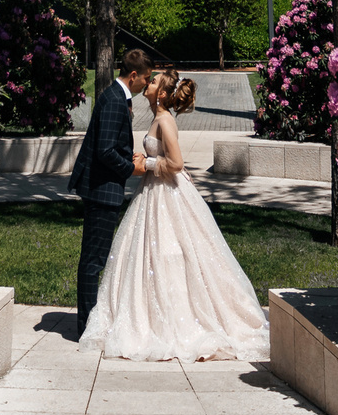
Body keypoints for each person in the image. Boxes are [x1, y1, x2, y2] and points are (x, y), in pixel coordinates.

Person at [78, 67, 271, 361]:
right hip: (153, 192)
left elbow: (177, 163)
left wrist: (149, 164)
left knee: (170, 250)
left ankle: (176, 321)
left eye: (153, 82)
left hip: (166, 191)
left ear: (164, 94)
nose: (148, 83)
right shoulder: (158, 118)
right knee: (149, 253)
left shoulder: (165, 120)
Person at [69, 49, 154, 334]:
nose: (146, 84)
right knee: (93, 262)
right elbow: (104, 151)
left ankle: (89, 322)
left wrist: (128, 158)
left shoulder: (116, 97)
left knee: (95, 260)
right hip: (101, 191)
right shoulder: (115, 101)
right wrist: (131, 169)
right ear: (133, 76)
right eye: (146, 78)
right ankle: (85, 327)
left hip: (103, 188)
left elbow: (110, 146)